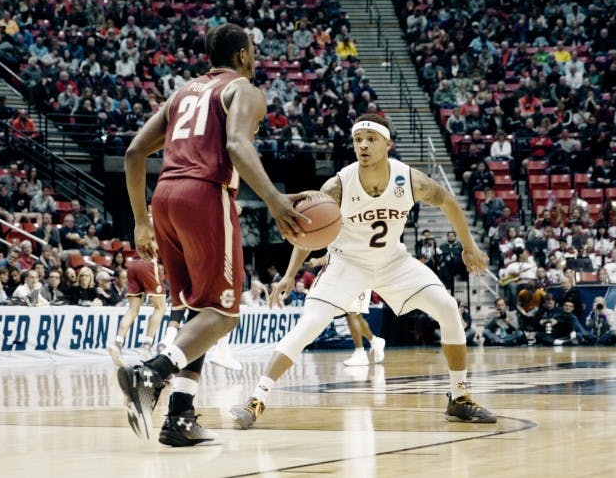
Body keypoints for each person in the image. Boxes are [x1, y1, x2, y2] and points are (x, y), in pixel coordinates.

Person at [231, 113, 496, 431]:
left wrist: (469, 246)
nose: (364, 145)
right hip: (347, 263)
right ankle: (257, 399)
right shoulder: (338, 185)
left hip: (393, 261)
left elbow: (448, 201)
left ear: (388, 144)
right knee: (307, 327)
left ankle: (459, 397)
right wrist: (290, 274)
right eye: (358, 140)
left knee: (448, 307)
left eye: (371, 139)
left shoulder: (410, 180)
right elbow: (307, 230)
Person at [119, 23, 308, 446]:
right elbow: (238, 146)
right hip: (204, 194)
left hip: (164, 196)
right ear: (242, 55)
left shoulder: (182, 93)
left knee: (198, 310)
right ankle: (151, 372)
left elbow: (134, 152)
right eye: (252, 51)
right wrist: (274, 199)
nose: (254, 58)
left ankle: (179, 417)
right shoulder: (244, 89)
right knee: (223, 314)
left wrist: (140, 221)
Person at [109, 257, 166, 364]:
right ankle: (147, 345)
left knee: (133, 309)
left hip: (132, 264)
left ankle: (118, 343)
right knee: (160, 308)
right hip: (148, 262)